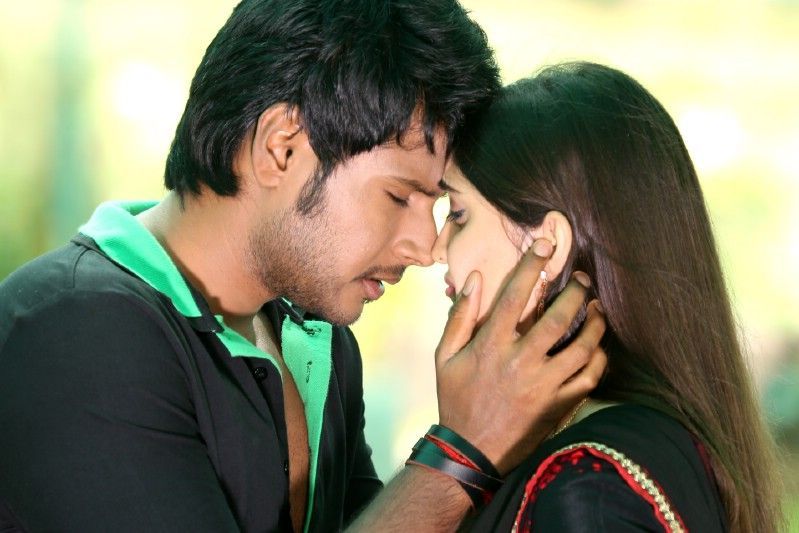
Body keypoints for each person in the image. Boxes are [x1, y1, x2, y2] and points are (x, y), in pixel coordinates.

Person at [0, 2, 608, 532]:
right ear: (281, 147)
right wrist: (464, 451)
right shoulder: (72, 329)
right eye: (399, 196)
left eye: (441, 206)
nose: (426, 248)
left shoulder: (318, 339)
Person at [431, 62, 782, 532]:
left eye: (457, 214)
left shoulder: (587, 486)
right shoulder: (650, 444)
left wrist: (453, 452)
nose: (435, 249)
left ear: (546, 246)